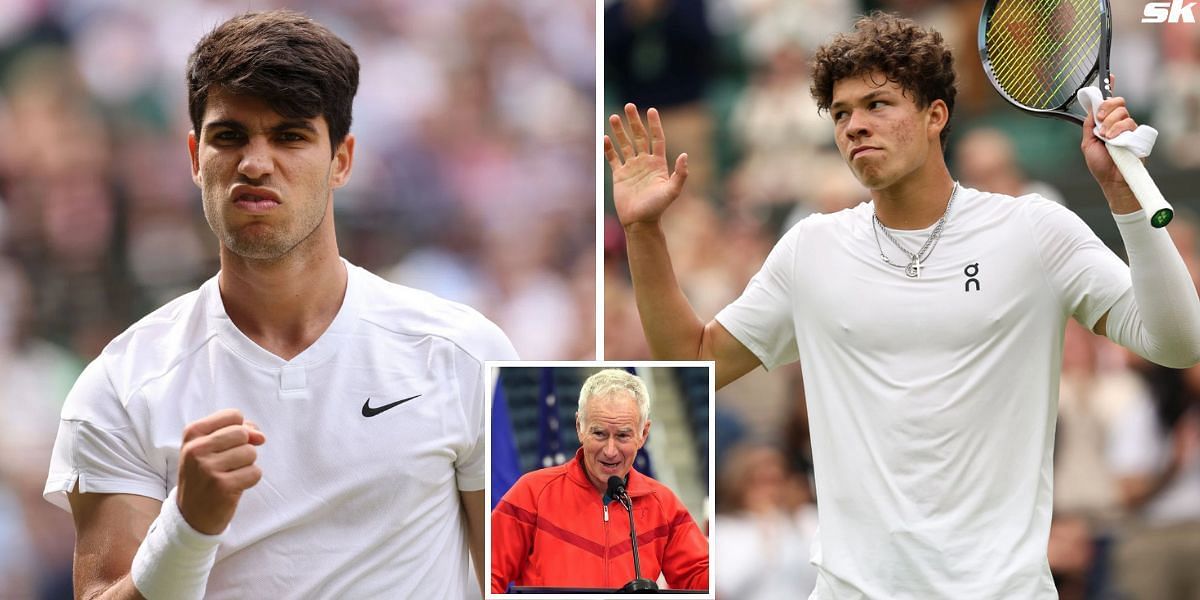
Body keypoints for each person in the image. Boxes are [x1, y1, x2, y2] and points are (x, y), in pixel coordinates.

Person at [605, 11, 1200, 599]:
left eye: (877, 105)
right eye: (841, 114)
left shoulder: (1034, 231)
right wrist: (643, 232)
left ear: (935, 115)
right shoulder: (811, 249)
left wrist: (1122, 193)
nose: (854, 126)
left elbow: (1179, 343)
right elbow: (690, 354)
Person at [42, 10, 517, 599]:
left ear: (342, 159)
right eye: (229, 136)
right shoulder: (119, 384)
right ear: (195, 157)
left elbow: (526, 585)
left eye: (290, 136)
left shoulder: (466, 353)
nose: (256, 163)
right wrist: (188, 526)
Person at [490, 369, 708, 593]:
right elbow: (489, 574)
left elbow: (702, 579)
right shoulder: (531, 493)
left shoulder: (663, 504)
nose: (610, 451)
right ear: (579, 428)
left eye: (623, 435)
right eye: (599, 434)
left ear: (643, 434)